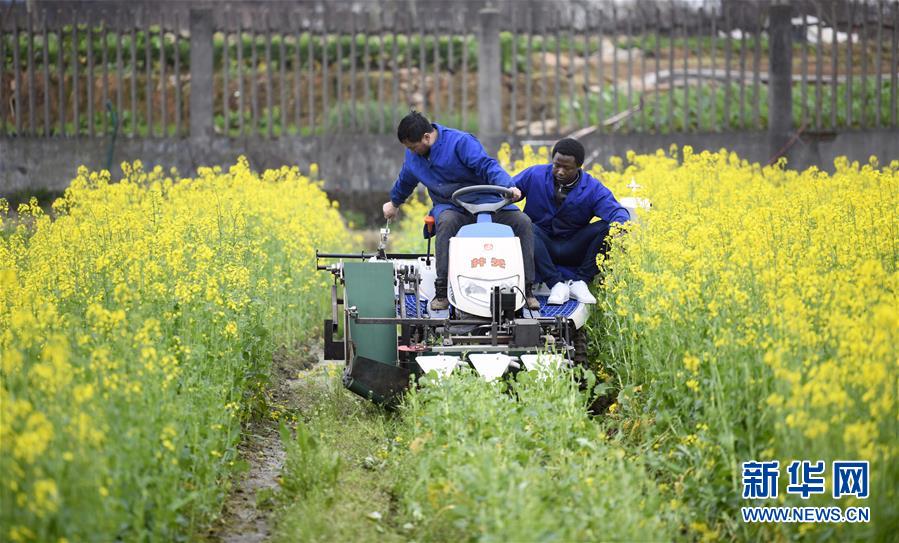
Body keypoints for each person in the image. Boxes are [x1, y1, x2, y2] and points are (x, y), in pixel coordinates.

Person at [382, 111, 540, 311]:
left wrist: (508, 186)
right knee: (446, 222)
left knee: (523, 222)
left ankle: (526, 289)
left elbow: (486, 165)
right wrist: (394, 203)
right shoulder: (413, 156)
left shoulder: (460, 142)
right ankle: (442, 291)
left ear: (426, 137)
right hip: (452, 206)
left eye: (413, 147)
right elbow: (406, 179)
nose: (411, 151)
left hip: (488, 201)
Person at [512, 137, 630, 305]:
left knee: (607, 226)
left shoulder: (592, 187)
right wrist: (510, 193)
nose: (560, 171)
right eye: (556, 165)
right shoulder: (535, 175)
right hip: (540, 246)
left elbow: (617, 211)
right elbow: (508, 188)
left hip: (573, 246)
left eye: (567, 168)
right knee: (524, 222)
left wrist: (621, 227)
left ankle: (581, 282)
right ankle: (556, 284)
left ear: (579, 167)